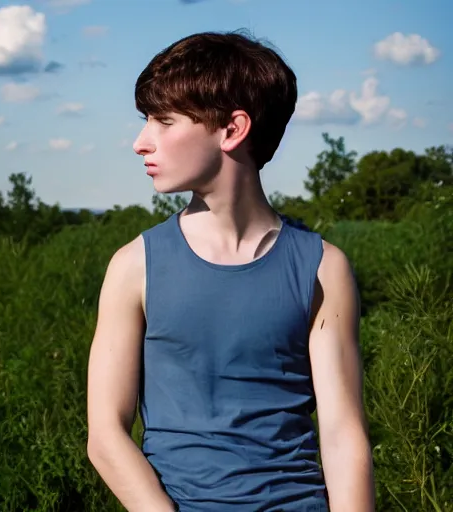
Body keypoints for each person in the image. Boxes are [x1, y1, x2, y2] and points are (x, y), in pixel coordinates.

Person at [86, 30, 375, 512]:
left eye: (163, 120)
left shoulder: (323, 268)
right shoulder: (134, 266)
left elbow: (344, 438)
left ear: (232, 130)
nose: (141, 142)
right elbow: (105, 437)